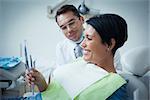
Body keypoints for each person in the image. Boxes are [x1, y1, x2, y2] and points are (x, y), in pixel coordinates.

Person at [26, 13, 128, 100]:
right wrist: (41, 82)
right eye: (84, 37)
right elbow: (54, 93)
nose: (82, 44)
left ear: (109, 44)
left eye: (89, 38)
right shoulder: (80, 62)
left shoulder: (115, 87)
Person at [54, 5, 123, 72]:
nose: (69, 30)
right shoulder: (61, 47)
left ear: (81, 19)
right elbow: (61, 73)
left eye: (71, 23)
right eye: (63, 28)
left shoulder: (103, 39)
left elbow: (116, 71)